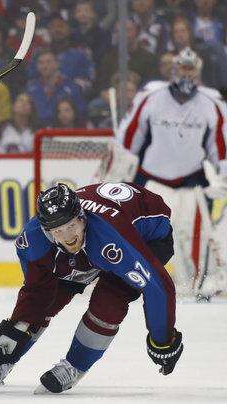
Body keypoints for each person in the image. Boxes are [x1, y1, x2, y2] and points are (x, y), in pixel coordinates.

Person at [0, 182, 183, 394]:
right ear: (47, 231)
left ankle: (75, 366)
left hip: (148, 236)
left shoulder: (112, 239)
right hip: (97, 238)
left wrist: (163, 341)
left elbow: (158, 287)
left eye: (71, 226)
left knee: (109, 300)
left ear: (82, 217)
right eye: (58, 231)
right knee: (48, 298)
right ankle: (2, 360)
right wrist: (11, 335)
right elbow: (37, 293)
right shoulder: (32, 240)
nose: (68, 236)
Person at [116, 47, 227, 300]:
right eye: (183, 68)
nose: (186, 73)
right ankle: (135, 281)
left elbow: (219, 146)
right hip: (152, 180)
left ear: (198, 72)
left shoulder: (211, 103)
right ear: (174, 69)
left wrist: (222, 175)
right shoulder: (151, 96)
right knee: (148, 234)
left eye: (191, 69)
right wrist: (122, 168)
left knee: (193, 235)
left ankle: (198, 286)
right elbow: (130, 136)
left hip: (192, 181)